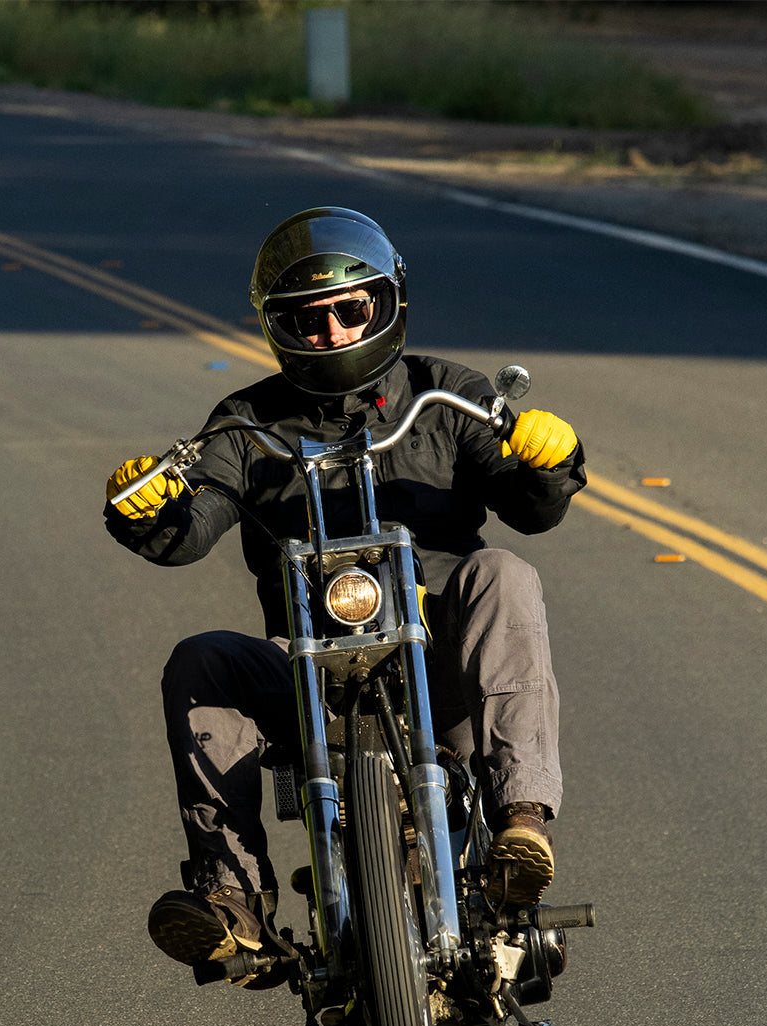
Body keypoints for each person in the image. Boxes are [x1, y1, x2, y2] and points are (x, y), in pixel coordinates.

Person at [105, 206, 586, 982]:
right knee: (200, 660)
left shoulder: (445, 392)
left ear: (387, 303)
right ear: (276, 328)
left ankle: (520, 825)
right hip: (306, 677)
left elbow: (532, 508)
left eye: (349, 309)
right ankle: (234, 903)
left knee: (501, 572)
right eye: (307, 319)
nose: (331, 332)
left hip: (446, 668)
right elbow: (186, 534)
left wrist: (547, 459)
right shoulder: (246, 424)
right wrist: (148, 510)